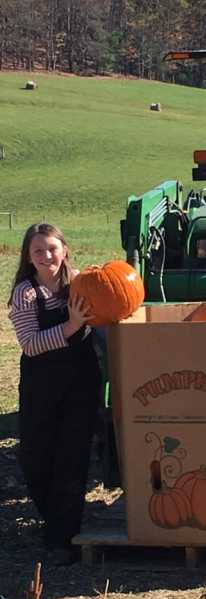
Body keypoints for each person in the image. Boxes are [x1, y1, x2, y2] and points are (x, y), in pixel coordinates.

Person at [8, 223, 101, 566]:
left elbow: (109, 308)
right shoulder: (25, 293)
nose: (47, 256)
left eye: (52, 248)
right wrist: (71, 326)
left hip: (81, 380)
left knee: (71, 458)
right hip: (42, 384)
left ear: (64, 249)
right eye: (38, 251)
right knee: (35, 458)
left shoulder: (81, 282)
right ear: (28, 258)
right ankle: (55, 523)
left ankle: (63, 539)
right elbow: (30, 345)